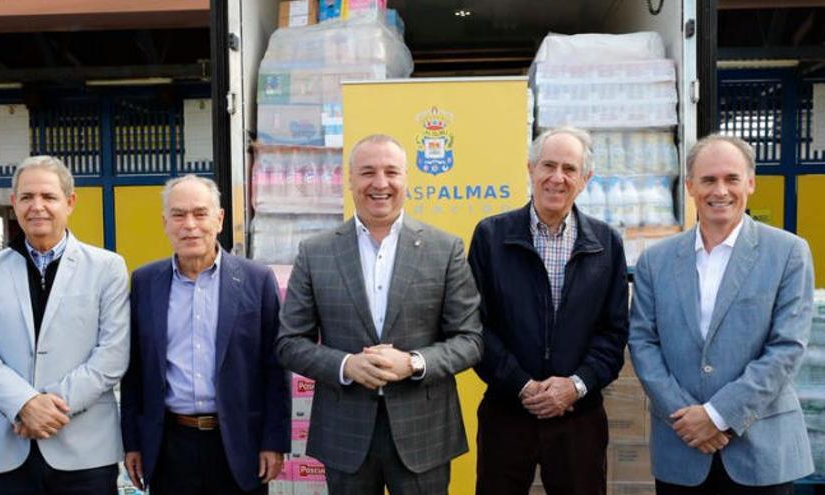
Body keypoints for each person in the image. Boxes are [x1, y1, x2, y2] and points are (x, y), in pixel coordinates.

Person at [276, 134, 483, 495]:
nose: (380, 183)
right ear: (350, 180)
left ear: (406, 180)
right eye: (368, 172)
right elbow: (290, 343)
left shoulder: (444, 248)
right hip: (344, 435)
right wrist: (345, 366)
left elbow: (470, 339)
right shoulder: (316, 252)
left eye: (391, 172)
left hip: (424, 434)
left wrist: (414, 362)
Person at [629, 134, 814, 494]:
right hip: (680, 448)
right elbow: (643, 343)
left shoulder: (788, 252)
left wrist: (717, 416)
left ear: (751, 182)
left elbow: (787, 347)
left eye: (731, 178)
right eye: (709, 180)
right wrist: (687, 418)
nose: (721, 190)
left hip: (761, 454)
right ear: (690, 186)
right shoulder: (656, 261)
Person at [468, 126, 629, 495]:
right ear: (530, 169)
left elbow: (613, 332)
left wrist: (574, 386)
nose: (558, 178)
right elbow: (474, 327)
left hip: (578, 417)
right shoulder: (491, 237)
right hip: (506, 412)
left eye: (570, 169)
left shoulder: (606, 244)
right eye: (548, 165)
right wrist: (522, 385)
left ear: (585, 179)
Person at [0, 155, 130, 494]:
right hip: (8, 450)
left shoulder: (106, 267)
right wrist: (24, 405)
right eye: (26, 197)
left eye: (48, 197)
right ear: (14, 203)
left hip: (85, 452)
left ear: (69, 202)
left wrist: (46, 408)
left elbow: (112, 355)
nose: (37, 206)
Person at [120, 175, 290, 495]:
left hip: (239, 444)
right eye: (178, 215)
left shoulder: (257, 280)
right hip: (169, 444)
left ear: (219, 219)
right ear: (165, 222)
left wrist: (274, 441)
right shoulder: (145, 282)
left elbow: (274, 367)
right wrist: (133, 442)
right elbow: (135, 372)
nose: (190, 225)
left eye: (200, 213)